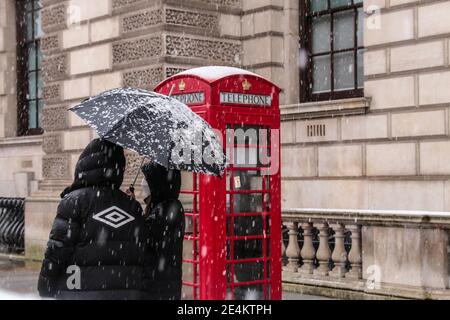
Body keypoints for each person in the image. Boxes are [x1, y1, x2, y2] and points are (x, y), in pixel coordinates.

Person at [37, 139, 150, 300]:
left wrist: (45, 286)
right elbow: (140, 254)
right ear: (119, 168)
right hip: (126, 292)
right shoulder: (133, 206)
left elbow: (57, 249)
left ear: (84, 163)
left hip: (78, 291)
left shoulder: (74, 201)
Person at [140, 163, 185, 300]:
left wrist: (132, 208)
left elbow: (143, 237)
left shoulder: (166, 210)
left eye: (147, 181)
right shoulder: (166, 207)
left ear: (157, 185)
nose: (143, 187)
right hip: (163, 283)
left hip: (159, 285)